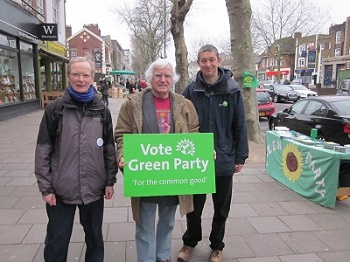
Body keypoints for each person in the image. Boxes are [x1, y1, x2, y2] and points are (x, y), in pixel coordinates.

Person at [115, 59, 200, 262]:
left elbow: (194, 132)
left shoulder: (184, 104)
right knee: (144, 223)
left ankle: (163, 257)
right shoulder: (132, 104)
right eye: (158, 75)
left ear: (173, 79)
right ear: (150, 78)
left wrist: (202, 153)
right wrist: (123, 154)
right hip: (145, 173)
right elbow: (122, 134)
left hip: (173, 174)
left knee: (168, 222)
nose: (163, 80)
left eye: (167, 76)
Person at [34, 56, 117, 262]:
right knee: (56, 241)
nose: (81, 79)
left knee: (95, 239)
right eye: (76, 74)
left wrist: (109, 181)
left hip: (94, 189)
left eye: (85, 75)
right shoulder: (56, 109)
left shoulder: (102, 110)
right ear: (69, 76)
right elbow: (43, 150)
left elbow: (109, 148)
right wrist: (46, 188)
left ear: (92, 78)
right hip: (61, 190)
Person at [177, 44, 249, 262]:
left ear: (219, 60)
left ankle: (217, 246)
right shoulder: (191, 90)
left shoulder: (232, 89)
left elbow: (240, 125)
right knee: (193, 208)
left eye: (211, 59)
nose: (208, 64)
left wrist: (240, 156)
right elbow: (181, 121)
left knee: (221, 209)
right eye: (203, 60)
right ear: (198, 63)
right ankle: (190, 242)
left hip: (224, 158)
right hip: (196, 159)